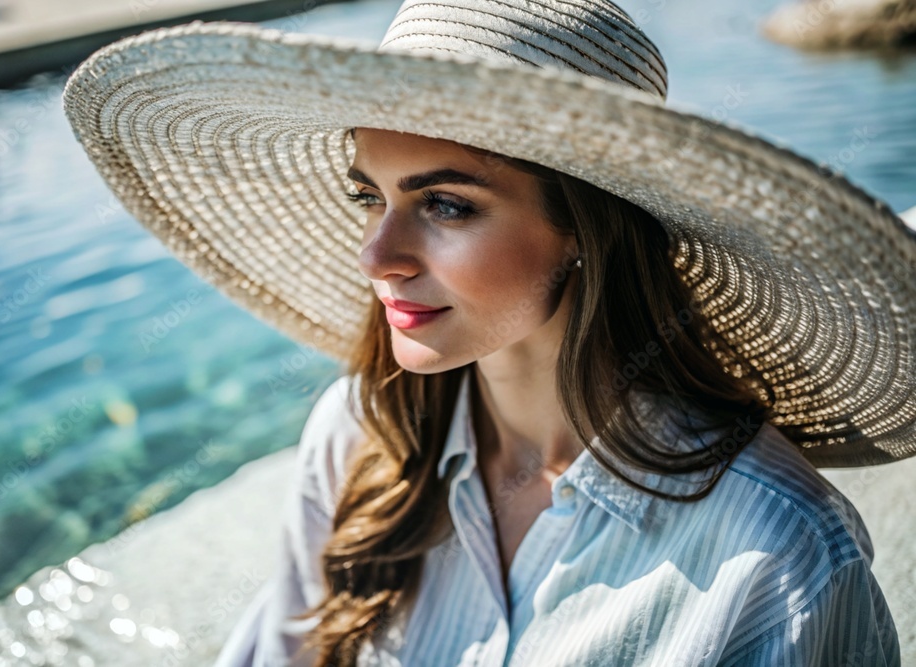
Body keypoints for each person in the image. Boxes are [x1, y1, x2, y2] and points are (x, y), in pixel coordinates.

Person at [61, 1, 914, 665]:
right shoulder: (360, 437)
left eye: (444, 204)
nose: (377, 254)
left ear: (585, 226)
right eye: (372, 195)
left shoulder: (780, 553)